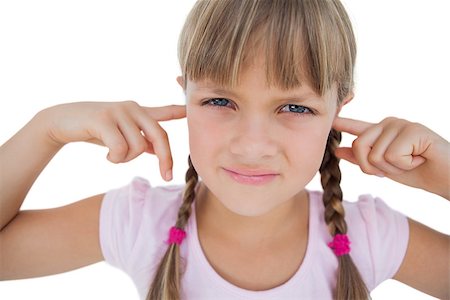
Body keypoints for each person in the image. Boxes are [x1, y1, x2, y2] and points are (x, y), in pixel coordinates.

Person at [0, 0, 449, 299]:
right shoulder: (139, 223)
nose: (252, 144)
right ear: (185, 96)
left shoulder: (369, 236)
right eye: (220, 101)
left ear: (338, 110)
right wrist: (47, 129)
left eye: (294, 106)